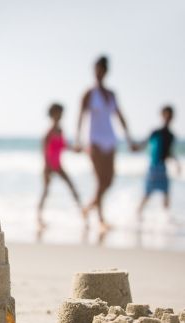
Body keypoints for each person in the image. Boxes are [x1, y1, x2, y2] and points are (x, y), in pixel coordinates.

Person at [75, 55, 136, 232]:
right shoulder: (89, 93)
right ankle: (100, 219)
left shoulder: (111, 94)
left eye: (101, 70)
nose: (98, 73)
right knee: (100, 181)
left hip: (110, 140)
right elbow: (81, 116)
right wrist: (78, 139)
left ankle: (87, 208)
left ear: (106, 71)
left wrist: (129, 139)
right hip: (94, 141)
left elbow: (120, 117)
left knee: (109, 181)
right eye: (96, 69)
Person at [37, 103, 82, 230]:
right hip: (49, 166)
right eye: (58, 113)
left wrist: (76, 149)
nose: (61, 116)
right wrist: (47, 168)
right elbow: (44, 151)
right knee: (45, 192)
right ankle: (39, 218)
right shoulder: (49, 132)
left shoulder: (60, 130)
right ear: (53, 115)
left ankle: (82, 214)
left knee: (72, 186)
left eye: (61, 113)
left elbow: (64, 145)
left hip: (58, 165)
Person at [137, 105, 180, 216]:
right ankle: (137, 214)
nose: (168, 117)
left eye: (170, 115)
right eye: (166, 115)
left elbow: (168, 152)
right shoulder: (156, 132)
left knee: (166, 193)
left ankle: (166, 219)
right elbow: (144, 143)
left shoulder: (171, 135)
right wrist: (136, 147)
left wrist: (176, 163)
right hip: (154, 166)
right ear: (162, 116)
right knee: (147, 193)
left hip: (163, 167)